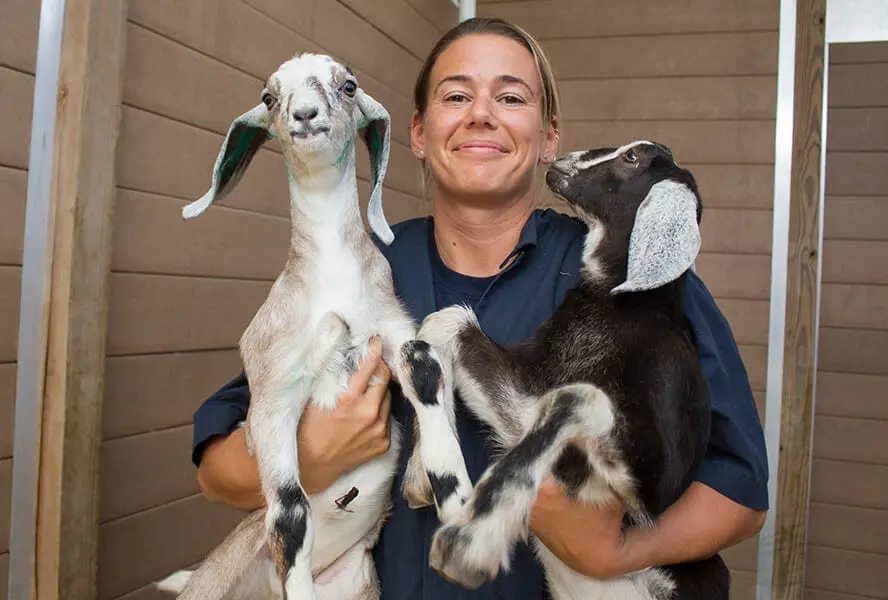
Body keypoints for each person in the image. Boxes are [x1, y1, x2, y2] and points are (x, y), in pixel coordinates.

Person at [190, 17, 769, 600]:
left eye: (511, 97)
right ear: (417, 131)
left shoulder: (628, 278)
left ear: (549, 137)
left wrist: (620, 550)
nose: (481, 114)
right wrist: (310, 458)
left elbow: (741, 495)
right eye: (456, 95)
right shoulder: (360, 271)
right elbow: (217, 469)